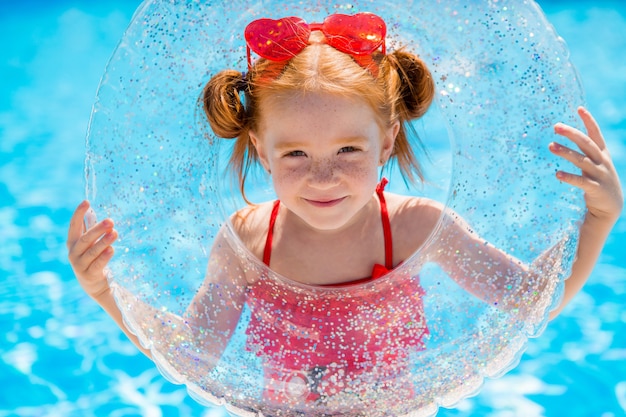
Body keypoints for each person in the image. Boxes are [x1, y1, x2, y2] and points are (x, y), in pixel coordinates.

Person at [67, 12, 622, 409]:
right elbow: (194, 356)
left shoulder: (414, 228)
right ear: (261, 150)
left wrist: (599, 218)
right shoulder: (246, 242)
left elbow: (527, 303)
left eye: (348, 150)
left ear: (386, 142)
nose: (322, 175)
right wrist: (104, 293)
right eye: (296, 153)